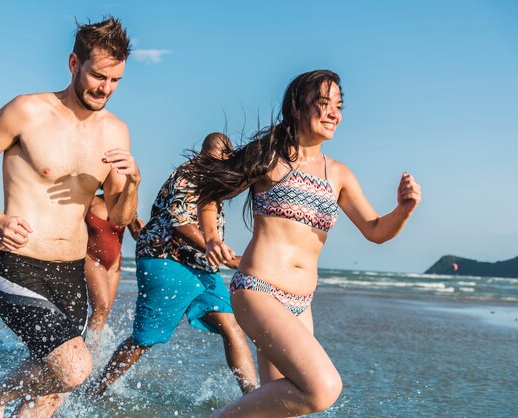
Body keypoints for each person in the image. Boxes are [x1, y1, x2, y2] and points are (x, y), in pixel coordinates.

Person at [181, 70, 421, 417]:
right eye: (323, 104)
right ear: (297, 107)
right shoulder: (269, 157)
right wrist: (212, 238)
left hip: (301, 303)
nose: (333, 113)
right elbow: (210, 193)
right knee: (322, 388)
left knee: (283, 407)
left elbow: (375, 230)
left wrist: (403, 210)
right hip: (258, 290)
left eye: (338, 106)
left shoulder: (338, 174)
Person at [0, 17, 139, 418]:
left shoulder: (116, 132)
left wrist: (133, 183)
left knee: (51, 395)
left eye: (115, 80)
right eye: (98, 75)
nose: (105, 88)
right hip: (16, 262)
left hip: (70, 271)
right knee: (74, 367)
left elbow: (119, 215)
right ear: (73, 64)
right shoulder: (27, 111)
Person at [90, 133, 258, 396]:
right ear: (207, 155)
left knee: (231, 327)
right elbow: (181, 224)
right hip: (166, 260)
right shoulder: (190, 174)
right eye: (220, 158)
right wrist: (224, 255)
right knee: (145, 339)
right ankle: (94, 390)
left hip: (201, 266)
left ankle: (253, 398)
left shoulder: (211, 181)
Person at [85, 192, 144, 336]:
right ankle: (87, 350)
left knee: (104, 312)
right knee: (101, 307)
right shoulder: (90, 200)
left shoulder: (125, 206)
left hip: (114, 264)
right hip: (90, 258)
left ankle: (92, 350)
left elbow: (137, 235)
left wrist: (141, 230)